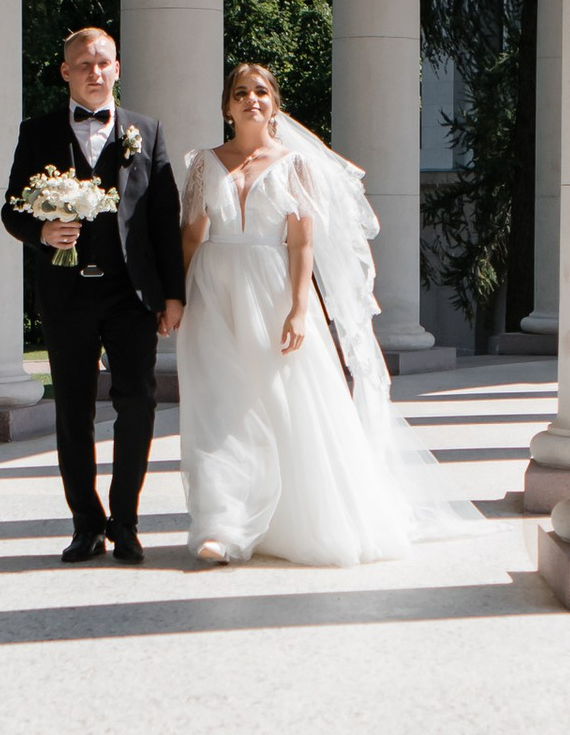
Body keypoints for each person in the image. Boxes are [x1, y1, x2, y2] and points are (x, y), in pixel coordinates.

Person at [175, 60, 476, 566]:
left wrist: (298, 309)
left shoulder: (295, 165)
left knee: (284, 401)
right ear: (227, 107)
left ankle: (293, 520)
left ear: (274, 106)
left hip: (273, 291)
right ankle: (221, 524)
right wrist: (179, 297)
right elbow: (190, 234)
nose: (252, 99)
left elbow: (301, 243)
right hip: (214, 291)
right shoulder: (204, 163)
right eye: (242, 92)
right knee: (219, 406)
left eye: (262, 92)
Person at [0, 26, 183, 563]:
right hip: (67, 296)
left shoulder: (146, 132)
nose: (94, 71)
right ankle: (86, 524)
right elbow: (12, 209)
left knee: (138, 403)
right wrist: (41, 231)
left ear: (118, 68)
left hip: (132, 295)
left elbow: (162, 219)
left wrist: (173, 295)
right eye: (83, 64)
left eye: (103, 62)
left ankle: (125, 522)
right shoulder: (36, 133)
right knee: (73, 410)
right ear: (65, 72)